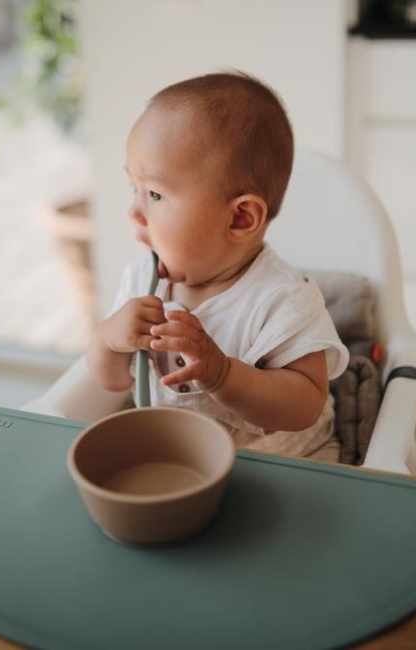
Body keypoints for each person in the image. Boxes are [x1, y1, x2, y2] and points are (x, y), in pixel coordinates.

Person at [86, 71, 349, 462]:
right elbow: (109, 380)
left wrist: (222, 374)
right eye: (135, 190)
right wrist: (110, 339)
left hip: (281, 463)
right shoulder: (141, 283)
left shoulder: (283, 299)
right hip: (179, 460)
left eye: (155, 194)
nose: (134, 213)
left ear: (240, 218)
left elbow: (306, 403)